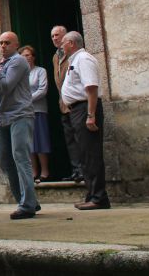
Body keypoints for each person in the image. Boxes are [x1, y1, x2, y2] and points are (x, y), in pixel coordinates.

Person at [0, 32, 39, 219]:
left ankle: (27, 205)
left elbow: (7, 86)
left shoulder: (18, 61)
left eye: (7, 43)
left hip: (20, 114)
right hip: (1, 118)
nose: (3, 46)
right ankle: (27, 200)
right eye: (0, 43)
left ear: (16, 45)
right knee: (5, 162)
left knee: (20, 158)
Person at [60, 32, 111, 210]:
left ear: (72, 43)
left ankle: (99, 198)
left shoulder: (83, 59)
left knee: (91, 154)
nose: (61, 45)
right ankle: (91, 194)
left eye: (64, 42)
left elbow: (91, 88)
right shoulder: (73, 60)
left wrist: (91, 114)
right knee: (84, 154)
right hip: (76, 110)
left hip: (84, 109)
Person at [52, 25, 83, 182]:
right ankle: (76, 170)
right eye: (53, 36)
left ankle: (84, 170)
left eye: (58, 35)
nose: (55, 39)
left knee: (80, 138)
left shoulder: (75, 56)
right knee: (70, 139)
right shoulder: (55, 57)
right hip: (63, 104)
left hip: (76, 104)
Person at [19, 45, 51, 182]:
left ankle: (45, 172)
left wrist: (27, 100)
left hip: (38, 110)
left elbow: (42, 90)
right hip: (24, 112)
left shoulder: (40, 71)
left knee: (41, 141)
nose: (26, 58)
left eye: (28, 55)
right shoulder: (20, 73)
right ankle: (34, 172)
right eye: (23, 56)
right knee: (29, 143)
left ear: (33, 57)